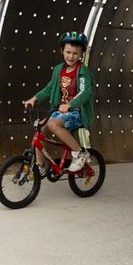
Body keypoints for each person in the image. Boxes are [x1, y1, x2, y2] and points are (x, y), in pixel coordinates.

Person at [23, 31, 96, 173]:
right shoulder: (58, 69)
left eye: (75, 53)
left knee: (53, 124)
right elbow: (50, 88)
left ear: (81, 54)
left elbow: (85, 92)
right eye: (68, 52)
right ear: (62, 51)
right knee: (40, 127)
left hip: (77, 112)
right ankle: (40, 165)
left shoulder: (82, 71)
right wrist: (34, 98)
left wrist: (69, 105)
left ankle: (80, 153)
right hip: (60, 111)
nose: (71, 56)